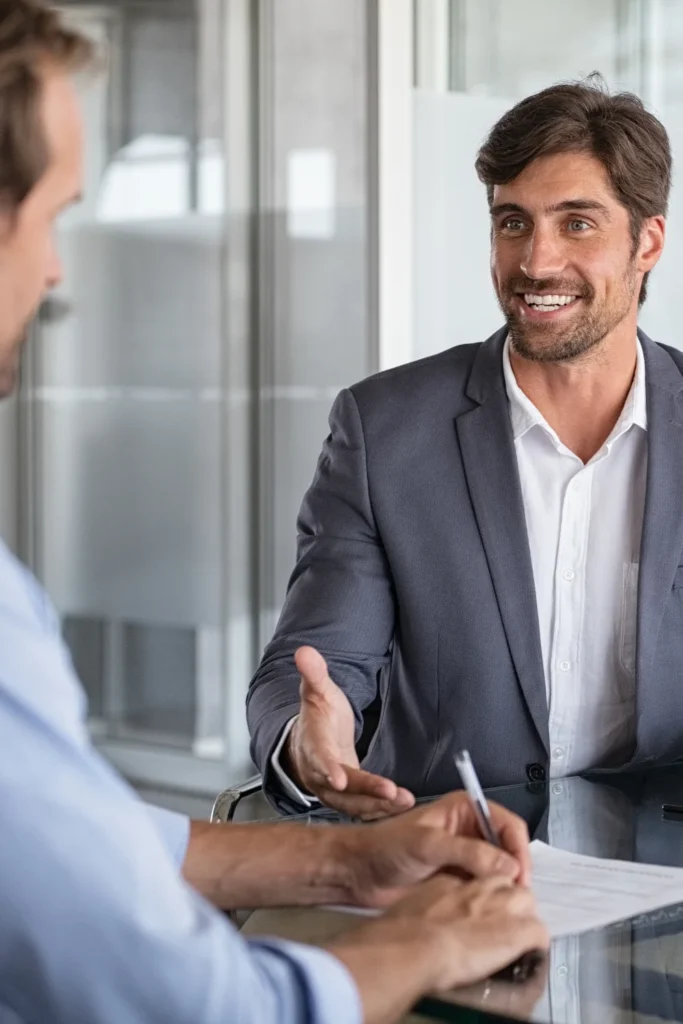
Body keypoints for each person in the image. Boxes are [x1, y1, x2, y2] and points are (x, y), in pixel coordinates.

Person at [0, 3, 549, 1024]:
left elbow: (73, 844)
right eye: (53, 214)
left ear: (649, 242)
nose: (59, 267)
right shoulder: (388, 427)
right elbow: (196, 1002)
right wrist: (418, 938)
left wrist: (348, 862)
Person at [247, 74, 682, 819]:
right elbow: (318, 664)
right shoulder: (385, 428)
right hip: (444, 871)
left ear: (646, 241)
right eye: (512, 223)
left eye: (576, 223)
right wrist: (307, 741)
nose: (535, 263)